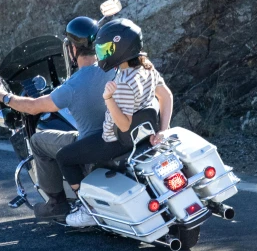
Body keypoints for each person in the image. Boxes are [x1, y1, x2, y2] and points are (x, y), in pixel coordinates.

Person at [0, 17, 114, 221]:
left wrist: (3, 96)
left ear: (73, 49)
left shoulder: (73, 86)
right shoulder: (114, 70)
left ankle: (56, 203)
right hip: (115, 139)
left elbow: (34, 106)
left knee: (38, 141)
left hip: (91, 146)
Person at [55, 18, 174, 227]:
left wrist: (108, 99)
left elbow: (124, 125)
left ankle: (87, 209)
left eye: (107, 48)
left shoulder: (123, 82)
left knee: (64, 157)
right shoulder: (147, 68)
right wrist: (163, 130)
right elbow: (166, 97)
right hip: (144, 134)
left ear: (120, 50)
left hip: (116, 140)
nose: (102, 53)